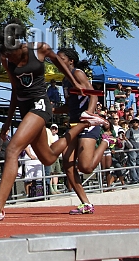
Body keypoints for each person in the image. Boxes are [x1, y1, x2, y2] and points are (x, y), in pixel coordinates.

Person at [0, 21, 104, 222]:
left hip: (40, 105)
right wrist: (7, 122)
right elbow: (16, 90)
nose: (7, 58)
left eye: (9, 53)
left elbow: (59, 62)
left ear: (19, 45)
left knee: (12, 149)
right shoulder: (6, 59)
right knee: (48, 158)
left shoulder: (40, 49)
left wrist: (75, 82)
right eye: (4, 54)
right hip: (26, 109)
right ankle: (84, 124)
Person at [54, 48, 111, 214]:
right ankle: (86, 203)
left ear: (71, 61)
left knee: (86, 167)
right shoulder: (65, 80)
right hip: (73, 123)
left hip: (87, 123)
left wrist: (90, 114)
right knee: (67, 164)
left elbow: (93, 94)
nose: (58, 62)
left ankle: (107, 141)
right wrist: (51, 110)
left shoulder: (77, 73)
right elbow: (69, 106)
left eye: (61, 59)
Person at [125, 118, 139, 184]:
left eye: (136, 122)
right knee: (132, 164)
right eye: (134, 122)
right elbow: (126, 138)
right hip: (132, 149)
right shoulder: (130, 130)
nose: (135, 123)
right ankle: (134, 179)